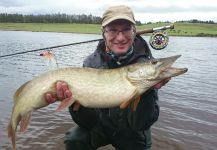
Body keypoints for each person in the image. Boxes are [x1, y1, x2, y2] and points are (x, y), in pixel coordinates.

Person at [45, 5, 170, 150]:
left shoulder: (146, 65)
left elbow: (141, 124)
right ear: (103, 33)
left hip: (133, 133)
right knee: (75, 139)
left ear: (134, 31)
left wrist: (146, 90)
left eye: (126, 29)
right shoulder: (91, 63)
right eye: (113, 30)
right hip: (101, 125)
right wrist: (73, 102)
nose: (121, 37)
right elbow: (88, 122)